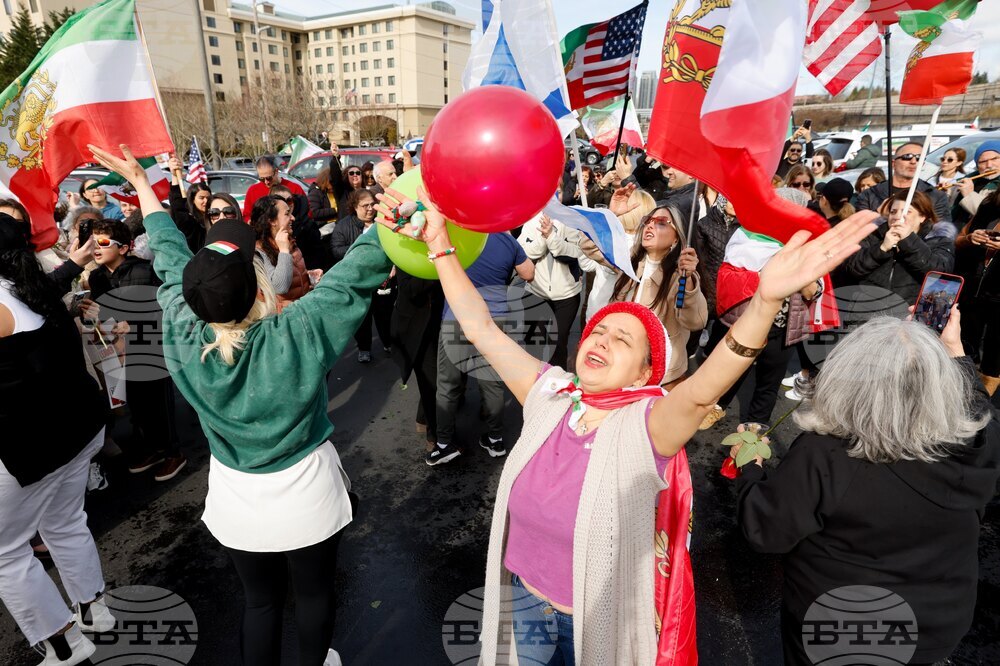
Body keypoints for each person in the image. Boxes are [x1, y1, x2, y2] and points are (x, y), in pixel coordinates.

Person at [373, 182, 878, 665]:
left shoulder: (649, 427)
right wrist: (440, 246)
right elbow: (479, 326)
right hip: (522, 607)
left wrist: (766, 302)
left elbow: (706, 384)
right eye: (600, 331)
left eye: (623, 339)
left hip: (592, 623)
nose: (602, 340)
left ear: (644, 373)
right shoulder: (549, 393)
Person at [89, 142, 395, 666]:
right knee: (315, 595)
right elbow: (356, 271)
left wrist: (144, 188)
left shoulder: (183, 332)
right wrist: (392, 215)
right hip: (306, 490)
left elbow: (167, 258)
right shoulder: (295, 331)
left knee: (259, 603)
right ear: (258, 291)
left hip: (236, 494)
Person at [734, 314, 997, 666]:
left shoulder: (827, 455)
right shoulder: (977, 441)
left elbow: (766, 530)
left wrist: (748, 468)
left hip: (841, 630)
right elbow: (979, 406)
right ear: (941, 385)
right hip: (936, 627)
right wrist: (956, 353)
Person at [0, 213, 115, 666]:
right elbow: (57, 279)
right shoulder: (31, 286)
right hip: (79, 430)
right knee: (65, 521)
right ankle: (94, 610)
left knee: (6, 553)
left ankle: (63, 643)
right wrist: (74, 261)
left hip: (33, 448)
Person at [86, 218, 186, 481]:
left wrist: (131, 323)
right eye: (93, 242)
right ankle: (153, 449)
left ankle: (174, 453)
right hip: (118, 351)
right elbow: (103, 312)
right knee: (136, 405)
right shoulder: (96, 277)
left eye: (104, 242)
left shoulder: (142, 270)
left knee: (159, 404)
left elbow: (160, 309)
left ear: (123, 248)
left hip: (149, 347)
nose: (96, 247)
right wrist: (94, 314)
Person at [431, 232, 534, 465]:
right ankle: (495, 439)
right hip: (495, 319)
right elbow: (528, 273)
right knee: (493, 384)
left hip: (456, 317)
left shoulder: (454, 235)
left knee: (448, 385)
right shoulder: (507, 240)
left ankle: (444, 444)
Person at [610, 205, 707, 389]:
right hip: (621, 362)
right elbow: (592, 246)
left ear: (676, 237)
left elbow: (696, 321)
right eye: (648, 221)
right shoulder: (629, 261)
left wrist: (687, 281)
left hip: (660, 374)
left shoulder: (680, 276)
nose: (650, 226)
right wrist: (611, 214)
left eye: (661, 223)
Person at [845, 190, 955, 303]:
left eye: (907, 212)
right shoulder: (873, 236)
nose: (897, 217)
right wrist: (881, 249)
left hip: (908, 315)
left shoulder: (939, 240)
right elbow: (852, 269)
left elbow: (939, 273)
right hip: (866, 313)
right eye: (893, 212)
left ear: (922, 217)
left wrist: (908, 240)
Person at [518, 212, 584, 369]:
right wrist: (543, 237)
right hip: (536, 292)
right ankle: (533, 383)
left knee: (558, 344)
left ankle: (557, 385)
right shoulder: (530, 221)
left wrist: (552, 237)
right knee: (533, 343)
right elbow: (522, 254)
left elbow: (576, 253)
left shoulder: (571, 221)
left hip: (567, 295)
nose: (552, 197)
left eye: (558, 192)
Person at [578, 188, 655, 320]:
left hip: (601, 313)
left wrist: (609, 215)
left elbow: (586, 264)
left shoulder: (637, 243)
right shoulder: (637, 244)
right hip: (615, 317)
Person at [955, 189, 1000, 396]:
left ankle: (983, 404)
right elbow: (960, 239)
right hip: (974, 288)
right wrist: (971, 237)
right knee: (965, 348)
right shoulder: (989, 204)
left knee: (994, 360)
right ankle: (960, 396)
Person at [251, 195, 317, 313]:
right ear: (271, 221)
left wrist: (308, 276)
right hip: (284, 319)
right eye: (287, 214)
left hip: (304, 310)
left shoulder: (290, 241)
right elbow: (280, 287)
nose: (293, 218)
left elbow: (292, 276)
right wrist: (284, 251)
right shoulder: (259, 252)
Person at [856, 142, 951, 224]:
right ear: (894, 163)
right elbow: (857, 230)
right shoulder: (869, 195)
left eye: (919, 158)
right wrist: (878, 215)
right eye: (907, 157)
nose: (913, 161)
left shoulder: (935, 196)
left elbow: (942, 236)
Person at [167, 157, 213, 253]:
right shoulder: (188, 221)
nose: (205, 201)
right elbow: (177, 204)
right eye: (201, 198)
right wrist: (175, 176)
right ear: (192, 200)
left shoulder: (215, 217)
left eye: (208, 198)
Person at [951, 141, 1000, 230]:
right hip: (957, 235)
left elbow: (991, 217)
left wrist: (969, 195)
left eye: (994, 159)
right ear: (977, 166)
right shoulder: (970, 179)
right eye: (983, 161)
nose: (989, 165)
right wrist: (945, 193)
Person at [242, 155, 305, 220]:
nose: (266, 182)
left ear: (276, 172)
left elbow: (307, 213)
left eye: (269, 178)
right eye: (262, 179)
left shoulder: (295, 188)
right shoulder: (253, 191)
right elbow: (247, 216)